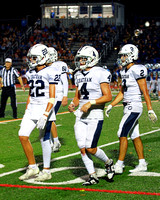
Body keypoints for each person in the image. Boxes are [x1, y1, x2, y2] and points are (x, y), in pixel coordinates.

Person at [105, 44, 157, 174]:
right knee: (134, 135)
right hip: (127, 106)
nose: (122, 58)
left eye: (124, 55)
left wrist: (150, 109)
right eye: (121, 55)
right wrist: (111, 105)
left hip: (134, 106)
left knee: (122, 133)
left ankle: (119, 164)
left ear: (132, 56)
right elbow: (122, 92)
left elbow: (145, 91)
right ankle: (142, 163)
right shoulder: (123, 71)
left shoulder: (137, 69)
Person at [68, 46, 114, 186]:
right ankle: (92, 175)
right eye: (80, 59)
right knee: (82, 146)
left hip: (95, 114)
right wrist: (73, 104)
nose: (81, 61)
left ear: (93, 59)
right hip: (81, 115)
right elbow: (78, 96)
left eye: (84, 59)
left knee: (90, 148)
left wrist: (90, 103)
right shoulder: (78, 74)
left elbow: (108, 96)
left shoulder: (100, 72)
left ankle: (108, 162)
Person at [18, 44, 60, 181]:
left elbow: (53, 97)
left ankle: (46, 171)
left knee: (44, 139)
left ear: (43, 57)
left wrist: (46, 113)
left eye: (35, 58)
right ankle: (32, 167)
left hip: (45, 108)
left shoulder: (51, 71)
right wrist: (27, 107)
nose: (32, 60)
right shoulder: (30, 72)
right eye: (31, 58)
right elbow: (31, 92)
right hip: (32, 109)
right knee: (22, 135)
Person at [47, 47, 68, 152]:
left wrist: (65, 95)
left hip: (58, 94)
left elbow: (65, 81)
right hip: (49, 95)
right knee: (49, 119)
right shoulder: (45, 67)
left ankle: (55, 142)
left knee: (49, 118)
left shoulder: (60, 65)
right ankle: (51, 142)